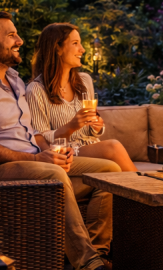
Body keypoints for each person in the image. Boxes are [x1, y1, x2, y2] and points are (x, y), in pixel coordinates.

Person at [0, 11, 140, 270]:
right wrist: (40, 161)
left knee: (109, 171)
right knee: (54, 174)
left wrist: (52, 150)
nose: (20, 40)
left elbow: (31, 136)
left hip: (31, 159)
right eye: (11, 35)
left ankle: (99, 255)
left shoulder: (13, 81)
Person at [26, 23, 137, 172]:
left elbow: (91, 128)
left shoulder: (84, 81)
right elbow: (39, 137)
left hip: (91, 145)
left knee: (115, 162)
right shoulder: (36, 90)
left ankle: (142, 190)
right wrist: (70, 127)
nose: (82, 49)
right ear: (57, 48)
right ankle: (147, 190)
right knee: (114, 147)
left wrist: (97, 126)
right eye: (75, 43)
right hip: (67, 151)